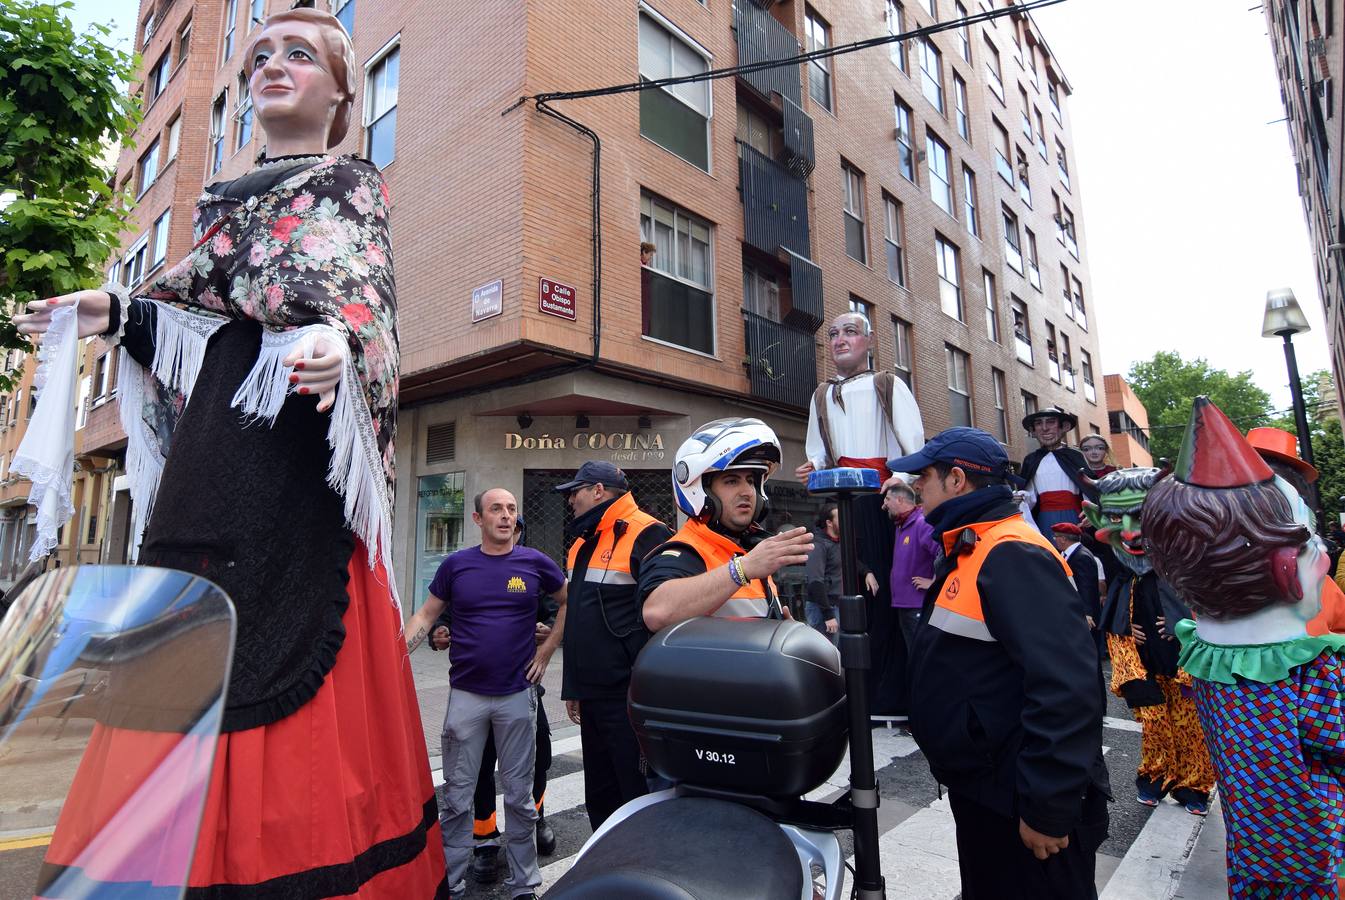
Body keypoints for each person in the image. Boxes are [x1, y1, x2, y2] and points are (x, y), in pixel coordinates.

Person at [25, 10, 447, 896]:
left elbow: (366, 310)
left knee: (287, 651)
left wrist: (341, 345)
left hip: (293, 469)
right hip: (207, 474)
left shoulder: (350, 189)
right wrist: (113, 314)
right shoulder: (223, 207)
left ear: (341, 93)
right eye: (259, 56)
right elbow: (196, 316)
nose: (271, 67)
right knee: (168, 675)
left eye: (300, 55)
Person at [890, 427, 1109, 900]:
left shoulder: (1010, 552)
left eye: (922, 477)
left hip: (1022, 802)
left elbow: (1067, 688)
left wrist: (1047, 807)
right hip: (990, 790)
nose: (916, 488)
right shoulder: (974, 545)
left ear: (956, 480)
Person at [1145, 398, 1345, 900]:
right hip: (1317, 844)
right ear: (1286, 568)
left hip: (1254, 835)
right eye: (1311, 545)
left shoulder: (1207, 657)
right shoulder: (1309, 670)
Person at [404, 488, 569, 900]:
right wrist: (393, 657)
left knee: (519, 797)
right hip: (466, 697)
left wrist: (547, 651)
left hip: (517, 696)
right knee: (457, 795)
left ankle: (524, 885)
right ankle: (452, 882)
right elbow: (427, 614)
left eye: (512, 509)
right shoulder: (457, 566)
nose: (506, 515)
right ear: (478, 519)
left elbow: (569, 600)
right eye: (496, 509)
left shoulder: (535, 563)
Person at [796, 312, 924, 722]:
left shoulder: (889, 384)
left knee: (883, 595)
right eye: (833, 334)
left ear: (869, 341)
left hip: (880, 501)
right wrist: (812, 466)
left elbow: (911, 440)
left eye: (850, 332)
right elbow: (817, 449)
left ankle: (894, 695)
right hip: (841, 501)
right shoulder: (821, 394)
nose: (839, 340)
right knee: (847, 592)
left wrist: (900, 481)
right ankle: (859, 691)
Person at [1085, 468, 1214, 816]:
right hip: (1144, 665)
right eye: (1116, 517)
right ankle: (1153, 779)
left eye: (1140, 516)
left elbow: (1212, 611)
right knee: (1156, 727)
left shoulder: (1187, 568)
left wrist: (1184, 625)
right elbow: (1115, 617)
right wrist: (1127, 631)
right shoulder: (1125, 574)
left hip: (1182, 664)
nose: (1129, 530)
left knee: (1191, 728)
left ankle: (1193, 787)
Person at [552, 460, 673, 831]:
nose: (571, 499)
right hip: (592, 696)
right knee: (601, 795)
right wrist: (574, 687)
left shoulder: (649, 533)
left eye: (576, 491)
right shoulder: (582, 543)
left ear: (598, 491)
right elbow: (577, 617)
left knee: (635, 793)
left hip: (629, 695)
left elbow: (664, 616)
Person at [641, 417, 814, 631]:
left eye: (750, 481)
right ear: (700, 489)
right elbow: (656, 612)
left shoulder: (748, 549)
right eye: (732, 481)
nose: (747, 492)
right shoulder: (684, 552)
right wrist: (742, 569)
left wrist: (780, 630)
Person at [804, 502, 879, 642]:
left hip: (837, 606)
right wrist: (828, 615)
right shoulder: (818, 545)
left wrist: (867, 572)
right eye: (840, 518)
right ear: (829, 523)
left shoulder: (838, 542)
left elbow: (850, 561)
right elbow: (815, 582)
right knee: (826, 655)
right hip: (823, 609)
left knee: (836, 652)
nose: (845, 521)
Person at [883, 479, 939, 654]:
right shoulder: (901, 525)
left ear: (900, 500)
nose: (884, 506)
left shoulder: (922, 523)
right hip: (905, 605)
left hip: (918, 605)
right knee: (914, 655)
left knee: (921, 656)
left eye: (887, 500)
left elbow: (943, 551)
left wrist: (934, 582)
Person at [1019, 406, 1095, 536]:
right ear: (1033, 430)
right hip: (1044, 519)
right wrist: (1020, 499)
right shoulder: (1031, 460)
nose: (1044, 428)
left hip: (1074, 517)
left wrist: (1092, 513)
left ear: (1064, 427)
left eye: (1050, 422)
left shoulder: (1075, 456)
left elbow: (1089, 488)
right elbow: (1029, 495)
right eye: (1038, 423)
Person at [1050, 522, 1104, 655]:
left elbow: (1087, 586)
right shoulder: (1070, 554)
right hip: (1075, 611)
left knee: (1088, 652)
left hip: (1084, 615)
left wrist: (1087, 613)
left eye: (1055, 537)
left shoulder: (1081, 557)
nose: (1054, 540)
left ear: (1063, 539)